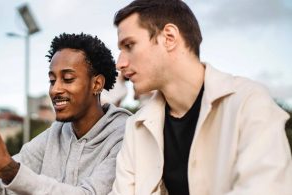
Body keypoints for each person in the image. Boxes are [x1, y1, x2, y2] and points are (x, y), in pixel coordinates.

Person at [110, 0, 292, 194]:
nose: (120, 63)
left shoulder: (248, 102)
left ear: (169, 38)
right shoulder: (136, 126)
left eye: (129, 45)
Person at [0, 33, 132, 194]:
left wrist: (6, 168)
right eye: (52, 80)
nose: (55, 90)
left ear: (97, 84)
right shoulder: (54, 135)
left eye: (68, 79)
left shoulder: (126, 135)